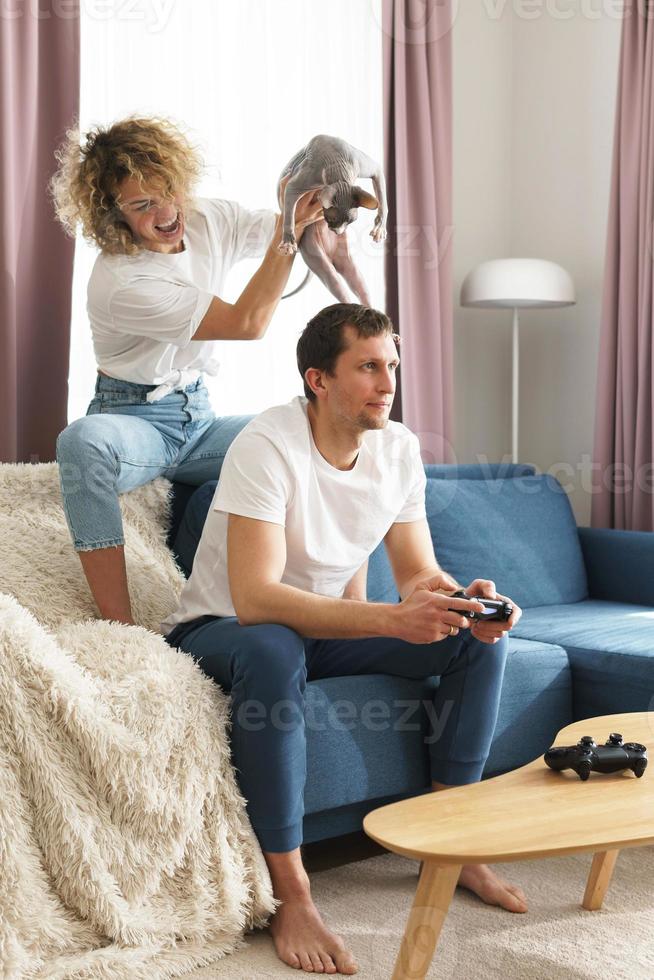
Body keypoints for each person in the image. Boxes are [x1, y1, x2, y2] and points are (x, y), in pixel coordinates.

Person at [162, 303, 528, 976]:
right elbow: (256, 597)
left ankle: (453, 846)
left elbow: (418, 570)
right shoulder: (269, 443)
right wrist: (391, 618)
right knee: (274, 646)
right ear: (318, 380)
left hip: (328, 625)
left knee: (477, 639)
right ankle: (292, 893)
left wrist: (458, 602)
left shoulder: (399, 449)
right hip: (224, 628)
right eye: (367, 366)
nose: (386, 382)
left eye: (391, 366)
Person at [50, 116, 322, 625]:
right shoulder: (121, 281)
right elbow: (247, 323)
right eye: (142, 205)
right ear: (114, 215)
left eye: (168, 191)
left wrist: (310, 207)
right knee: (80, 443)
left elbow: (286, 230)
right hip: (133, 419)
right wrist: (290, 234)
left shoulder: (206, 218)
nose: (166, 211)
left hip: (200, 417)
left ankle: (308, 604)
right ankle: (119, 626)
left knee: (309, 429)